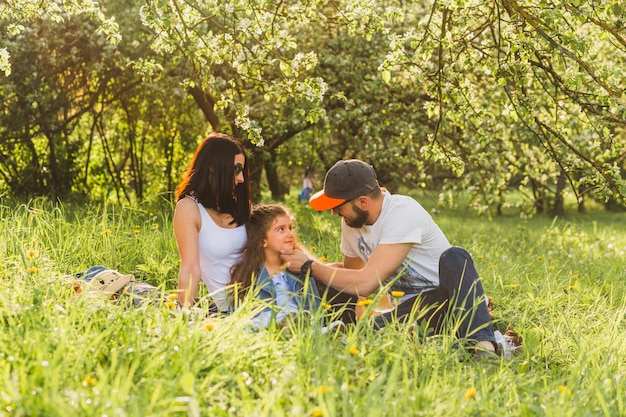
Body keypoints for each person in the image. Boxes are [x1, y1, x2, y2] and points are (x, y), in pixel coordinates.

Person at [280, 159, 501, 356]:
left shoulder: (403, 213)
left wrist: (311, 265)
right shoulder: (351, 222)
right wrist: (315, 272)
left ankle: (484, 346)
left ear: (363, 201)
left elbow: (366, 283)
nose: (333, 212)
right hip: (409, 311)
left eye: (337, 206)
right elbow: (353, 281)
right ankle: (310, 328)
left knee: (455, 256)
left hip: (445, 301)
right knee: (347, 306)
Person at [173, 133, 251, 310]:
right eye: (236, 169)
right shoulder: (189, 208)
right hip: (233, 309)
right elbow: (190, 268)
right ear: (212, 167)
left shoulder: (242, 206)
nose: (241, 179)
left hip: (264, 293)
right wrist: (184, 314)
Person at [230, 204, 321, 327]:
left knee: (309, 323)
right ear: (263, 240)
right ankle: (285, 322)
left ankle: (324, 332)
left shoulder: (301, 269)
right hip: (268, 327)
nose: (290, 234)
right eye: (281, 229)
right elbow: (238, 313)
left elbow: (314, 306)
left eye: (290, 228)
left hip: (301, 323)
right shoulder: (248, 274)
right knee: (260, 321)